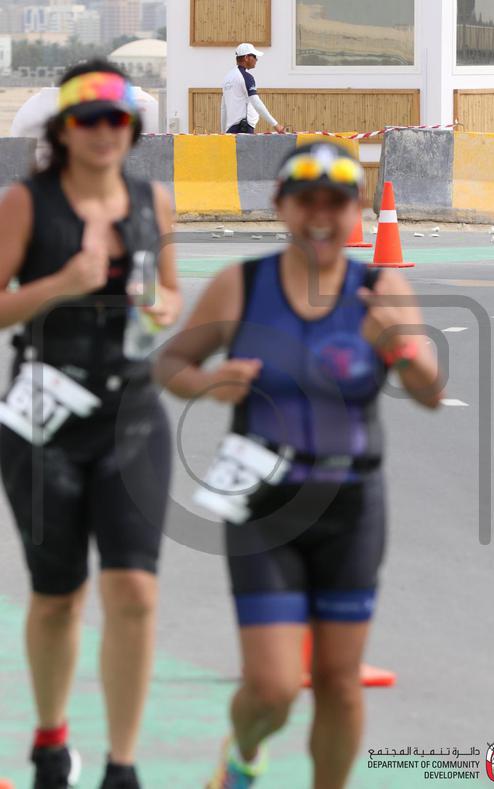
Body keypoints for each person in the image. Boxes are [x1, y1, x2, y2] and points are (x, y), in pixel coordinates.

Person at [156, 141, 443, 789]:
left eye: (334, 202)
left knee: (339, 683)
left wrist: (400, 347)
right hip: (265, 503)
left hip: (351, 504)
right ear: (280, 205)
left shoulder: (380, 289)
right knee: (274, 687)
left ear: (356, 210)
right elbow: (170, 364)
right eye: (305, 200)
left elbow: (430, 392)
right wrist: (210, 382)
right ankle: (243, 754)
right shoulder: (243, 284)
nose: (320, 215)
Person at [0, 60, 181, 789]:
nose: (105, 132)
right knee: (58, 593)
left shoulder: (152, 200)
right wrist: (62, 284)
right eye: (89, 120)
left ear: (132, 128)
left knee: (135, 591)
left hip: (131, 416)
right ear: (64, 130)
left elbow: (171, 294)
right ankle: (51, 743)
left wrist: (158, 306)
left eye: (118, 120)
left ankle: (122, 765)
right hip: (43, 422)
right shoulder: (27, 203)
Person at [221, 43, 286, 135]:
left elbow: (223, 107)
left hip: (230, 129)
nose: (256, 59)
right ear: (246, 57)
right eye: (254, 56)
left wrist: (223, 132)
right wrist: (276, 125)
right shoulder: (246, 77)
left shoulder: (227, 77)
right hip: (244, 127)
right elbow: (256, 102)